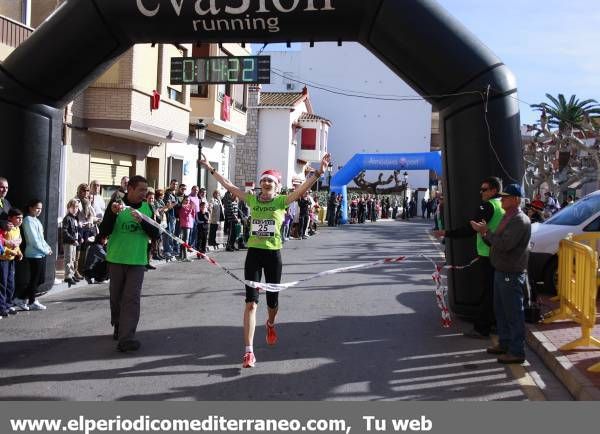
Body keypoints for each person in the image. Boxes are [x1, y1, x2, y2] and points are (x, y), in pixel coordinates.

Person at [199, 152, 331, 368]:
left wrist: (318, 173)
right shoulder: (251, 199)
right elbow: (230, 186)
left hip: (273, 256)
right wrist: (209, 168)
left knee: (272, 302)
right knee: (251, 304)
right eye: (264, 179)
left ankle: (270, 323)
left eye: (271, 180)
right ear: (260, 184)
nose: (266, 182)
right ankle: (248, 352)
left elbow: (301, 190)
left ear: (277, 186)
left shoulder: (281, 201)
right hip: (253, 254)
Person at [433, 177, 505, 338]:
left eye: (484, 189)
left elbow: (470, 229)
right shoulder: (502, 205)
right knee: (494, 292)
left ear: (494, 190)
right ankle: (494, 324)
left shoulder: (488, 206)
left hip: (488, 255)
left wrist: (447, 233)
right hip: (499, 254)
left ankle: (482, 328)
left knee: (486, 293)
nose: (481, 193)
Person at [470, 183, 531, 364]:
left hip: (510, 272)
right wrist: (486, 233)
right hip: (502, 269)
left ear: (515, 200)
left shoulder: (519, 220)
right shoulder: (508, 216)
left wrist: (485, 231)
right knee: (502, 311)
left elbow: (504, 245)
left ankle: (516, 351)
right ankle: (504, 344)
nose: (502, 199)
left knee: (513, 313)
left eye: (505, 197)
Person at [99, 175, 160, 352]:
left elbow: (156, 234)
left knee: (131, 299)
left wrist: (142, 221)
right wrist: (112, 213)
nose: (144, 193)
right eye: (141, 190)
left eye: (146, 190)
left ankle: (127, 338)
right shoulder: (117, 206)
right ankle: (118, 325)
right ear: (130, 189)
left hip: (137, 261)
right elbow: (104, 231)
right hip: (116, 259)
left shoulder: (148, 208)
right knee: (116, 298)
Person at [15, 199, 53, 311]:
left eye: (40, 209)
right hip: (33, 254)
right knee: (35, 279)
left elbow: (41, 238)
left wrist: (47, 247)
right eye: (37, 208)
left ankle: (21, 298)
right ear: (30, 208)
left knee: (39, 279)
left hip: (40, 253)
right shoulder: (27, 220)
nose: (39, 211)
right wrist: (45, 250)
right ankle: (32, 301)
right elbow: (33, 240)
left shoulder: (36, 220)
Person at [0, 209, 24, 316]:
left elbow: (17, 245)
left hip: (11, 260)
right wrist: (11, 251)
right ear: (10, 218)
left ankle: (8, 305)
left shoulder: (17, 229)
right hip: (3, 260)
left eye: (21, 218)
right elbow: (2, 245)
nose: (20, 220)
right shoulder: (5, 229)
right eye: (18, 218)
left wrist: (19, 253)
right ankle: (1, 307)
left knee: (11, 284)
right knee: (2, 284)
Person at [62, 199, 81, 287]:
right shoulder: (67, 218)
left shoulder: (74, 218)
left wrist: (79, 238)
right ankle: (68, 276)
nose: (75, 209)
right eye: (73, 207)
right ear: (69, 208)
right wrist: (73, 239)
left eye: (76, 207)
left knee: (73, 259)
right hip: (69, 242)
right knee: (68, 259)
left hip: (74, 242)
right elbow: (65, 231)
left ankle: (72, 274)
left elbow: (76, 231)